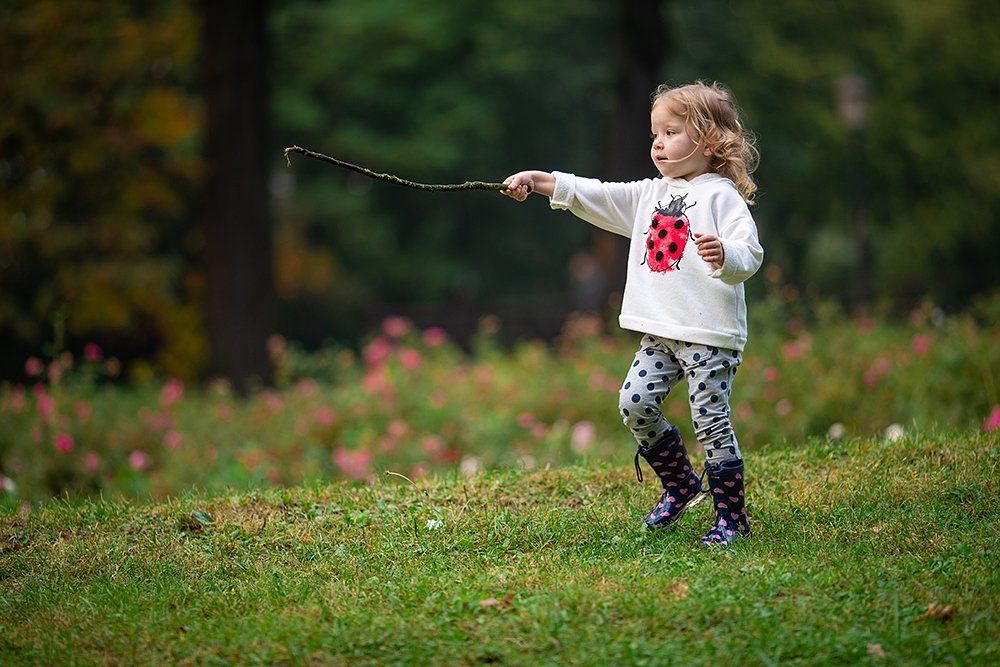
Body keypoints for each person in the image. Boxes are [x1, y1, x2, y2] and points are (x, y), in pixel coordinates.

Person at [501, 81, 763, 547]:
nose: (658, 142)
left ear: (708, 139)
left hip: (709, 334)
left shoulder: (722, 197)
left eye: (671, 132)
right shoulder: (648, 196)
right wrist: (537, 181)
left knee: (710, 419)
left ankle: (732, 519)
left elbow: (750, 251)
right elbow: (593, 194)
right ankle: (681, 484)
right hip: (659, 333)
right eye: (654, 134)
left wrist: (725, 255)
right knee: (635, 403)